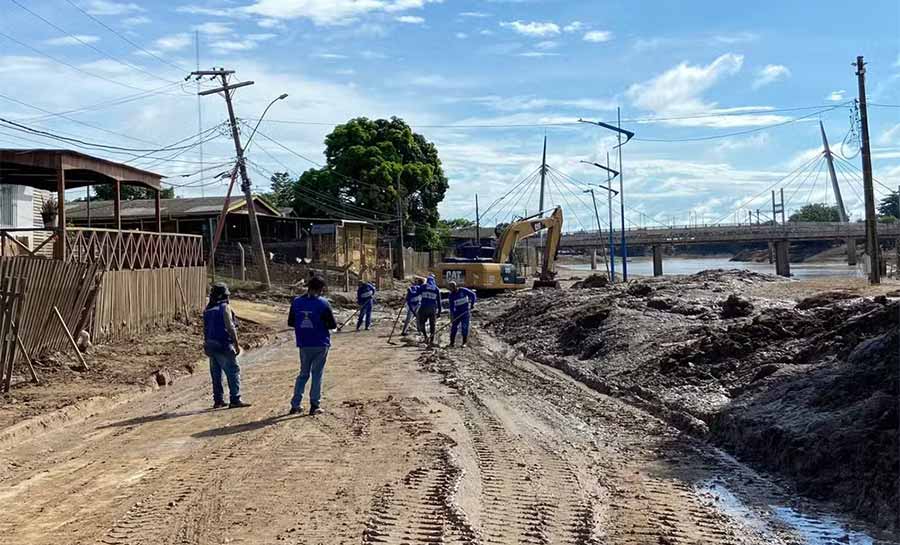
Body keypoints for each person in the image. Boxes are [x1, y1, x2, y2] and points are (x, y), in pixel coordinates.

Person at [288, 275, 338, 415]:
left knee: (303, 374)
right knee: (317, 374)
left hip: (304, 343)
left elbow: (291, 322)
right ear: (321, 289)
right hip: (320, 343)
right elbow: (332, 324)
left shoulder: (296, 302)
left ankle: (295, 404)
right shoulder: (323, 303)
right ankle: (314, 405)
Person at [203, 282, 250, 409]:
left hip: (210, 346)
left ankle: (218, 400)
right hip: (223, 344)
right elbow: (230, 328)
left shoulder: (208, 309)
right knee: (233, 371)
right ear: (224, 296)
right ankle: (235, 399)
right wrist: (236, 344)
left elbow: (206, 329)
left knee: (216, 374)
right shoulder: (225, 308)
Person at [447, 281, 477, 347]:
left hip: (465, 313)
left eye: (451, 288)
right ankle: (452, 343)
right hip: (457, 313)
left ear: (454, 287)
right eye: (449, 289)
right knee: (454, 327)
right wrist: (452, 316)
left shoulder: (463, 290)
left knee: (464, 327)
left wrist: (472, 304)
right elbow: (451, 307)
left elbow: (473, 295)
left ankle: (464, 342)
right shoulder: (451, 295)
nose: (450, 290)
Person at [417, 274, 442, 342]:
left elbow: (416, 293)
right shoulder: (436, 289)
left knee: (422, 322)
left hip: (423, 308)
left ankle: (425, 336)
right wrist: (439, 311)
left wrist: (410, 292)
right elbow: (439, 302)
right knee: (432, 324)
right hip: (432, 309)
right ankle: (431, 339)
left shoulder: (423, 287)